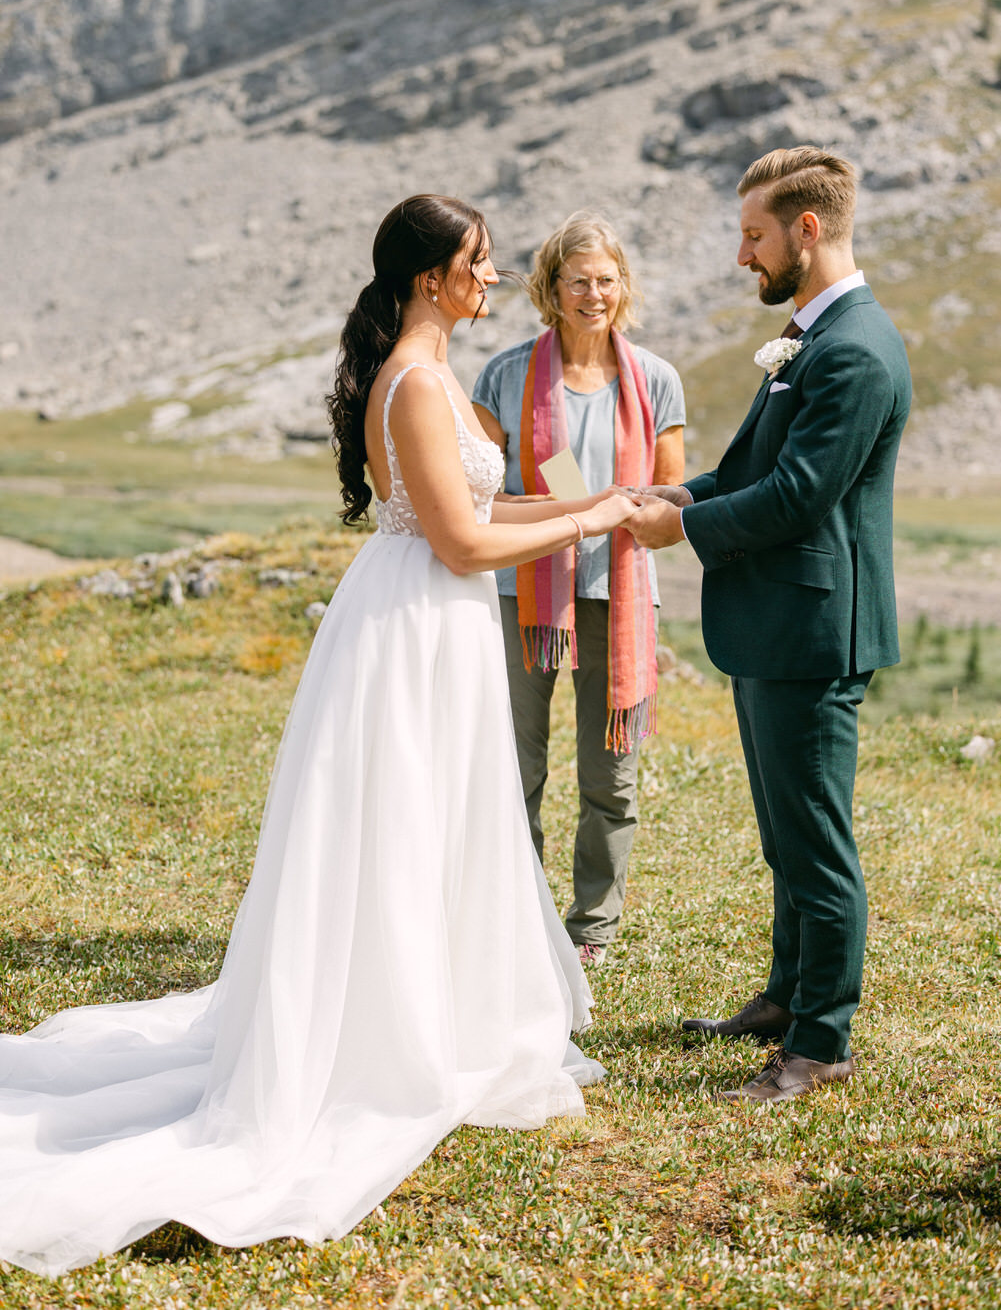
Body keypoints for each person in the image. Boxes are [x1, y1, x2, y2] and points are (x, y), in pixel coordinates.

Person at [0, 196, 642, 1277]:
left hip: (422, 625)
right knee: (398, 827)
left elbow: (488, 512)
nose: (492, 281)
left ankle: (436, 1012)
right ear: (433, 277)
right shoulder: (419, 383)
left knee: (433, 825)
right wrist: (592, 519)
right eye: (479, 266)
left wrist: (608, 497)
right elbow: (457, 541)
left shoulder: (422, 378)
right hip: (415, 629)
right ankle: (387, 1038)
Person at [626, 147, 911, 1103]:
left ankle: (821, 1041)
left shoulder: (857, 348)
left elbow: (796, 496)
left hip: (814, 632)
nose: (742, 255)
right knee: (784, 833)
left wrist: (682, 526)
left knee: (816, 841)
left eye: (753, 235)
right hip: (777, 625)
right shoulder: (811, 336)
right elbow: (757, 466)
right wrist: (683, 489)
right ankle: (787, 998)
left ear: (807, 229)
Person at [472, 213, 685, 966]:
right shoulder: (503, 373)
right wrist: (584, 508)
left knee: (610, 774)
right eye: (577, 281)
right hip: (520, 587)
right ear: (550, 288)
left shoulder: (655, 378)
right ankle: (514, 911)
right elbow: (483, 488)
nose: (593, 294)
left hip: (619, 591)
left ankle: (591, 925)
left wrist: (615, 510)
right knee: (513, 765)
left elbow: (667, 493)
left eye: (605, 280)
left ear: (621, 286)